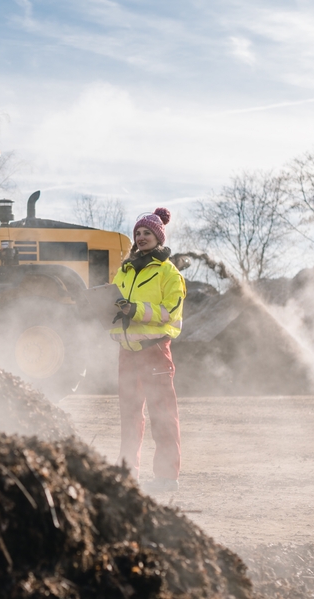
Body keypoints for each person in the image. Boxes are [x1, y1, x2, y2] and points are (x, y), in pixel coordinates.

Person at [110, 208, 186, 493]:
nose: (141, 237)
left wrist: (135, 310)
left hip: (155, 351)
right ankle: (127, 473)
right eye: (138, 233)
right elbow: (114, 304)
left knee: (162, 414)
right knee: (129, 416)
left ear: (158, 237)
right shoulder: (125, 270)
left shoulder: (169, 273)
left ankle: (167, 478)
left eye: (147, 233)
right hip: (127, 352)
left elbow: (172, 313)